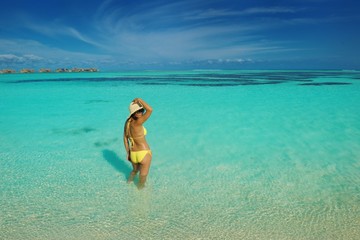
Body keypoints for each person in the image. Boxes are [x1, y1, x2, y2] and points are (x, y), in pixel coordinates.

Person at [123, 98, 153, 189]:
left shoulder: (128, 122)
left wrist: (128, 153)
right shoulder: (139, 122)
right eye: (138, 111)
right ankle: (140, 192)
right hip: (144, 153)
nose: (141, 113)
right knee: (143, 177)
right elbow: (150, 109)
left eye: (141, 110)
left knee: (134, 171)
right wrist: (139, 100)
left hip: (133, 154)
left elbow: (125, 138)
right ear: (133, 113)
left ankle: (128, 182)